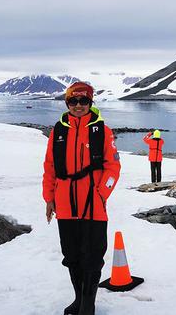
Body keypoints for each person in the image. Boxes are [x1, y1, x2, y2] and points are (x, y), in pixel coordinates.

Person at [42, 82, 121, 315]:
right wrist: (49, 198)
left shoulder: (102, 131)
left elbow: (113, 167)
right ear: (67, 103)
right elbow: (50, 167)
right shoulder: (58, 131)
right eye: (73, 101)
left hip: (93, 206)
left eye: (83, 101)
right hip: (64, 205)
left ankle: (88, 304)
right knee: (72, 255)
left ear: (90, 103)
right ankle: (78, 299)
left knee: (93, 256)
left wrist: (101, 193)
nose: (78, 106)